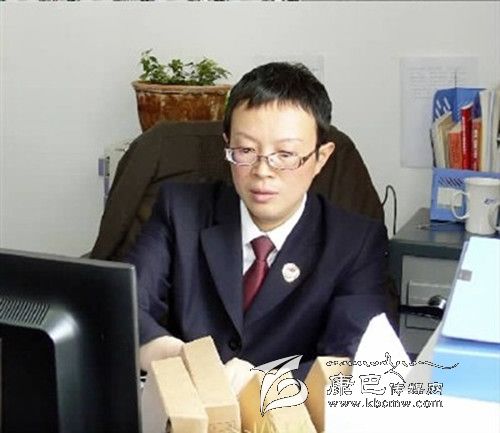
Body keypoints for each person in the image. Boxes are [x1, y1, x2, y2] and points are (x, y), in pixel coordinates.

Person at [126, 62, 389, 383]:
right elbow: (127, 308)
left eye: (286, 154)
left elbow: (356, 358)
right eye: (246, 150)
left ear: (320, 157)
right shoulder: (179, 210)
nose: (263, 171)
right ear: (227, 145)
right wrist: (176, 355)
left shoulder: (356, 242)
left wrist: (263, 383)